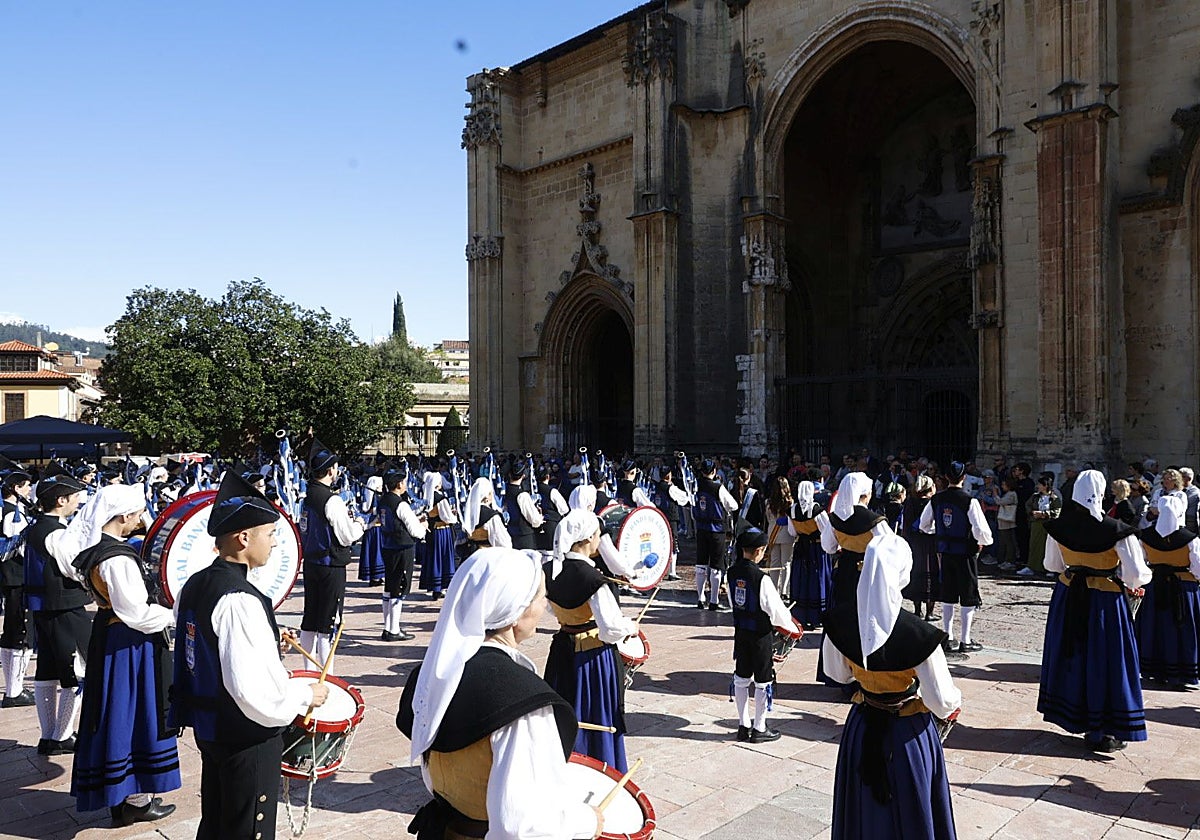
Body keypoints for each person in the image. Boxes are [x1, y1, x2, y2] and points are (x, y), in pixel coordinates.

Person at [397, 548, 603, 840]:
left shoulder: (432, 676)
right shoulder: (521, 702)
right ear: (516, 613)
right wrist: (586, 821)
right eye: (540, 597)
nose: (545, 605)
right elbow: (523, 827)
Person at [170, 471, 330, 840]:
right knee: (247, 830)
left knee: (217, 822)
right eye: (270, 534)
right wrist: (306, 695)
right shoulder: (239, 599)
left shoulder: (196, 584)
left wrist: (270, 644)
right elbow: (251, 691)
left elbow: (212, 652)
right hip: (246, 736)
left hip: (212, 729)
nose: (275, 544)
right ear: (244, 538)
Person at [823, 532, 962, 839]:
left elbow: (837, 674)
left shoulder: (839, 622)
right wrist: (954, 701)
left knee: (861, 811)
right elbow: (942, 700)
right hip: (907, 733)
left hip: (862, 725)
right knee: (912, 812)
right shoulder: (920, 634)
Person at [70, 484, 179, 826]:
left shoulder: (100, 549)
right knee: (130, 713)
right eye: (136, 514)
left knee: (120, 710)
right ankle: (134, 799)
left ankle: (124, 797)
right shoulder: (116, 557)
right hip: (128, 644)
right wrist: (177, 613)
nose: (139, 520)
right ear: (125, 516)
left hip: (114, 638)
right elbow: (135, 612)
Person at [1038, 470, 1152, 751]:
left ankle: (1077, 718)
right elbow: (1136, 575)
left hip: (1069, 593)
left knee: (1073, 653)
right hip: (1104, 601)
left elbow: (1052, 565)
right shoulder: (1116, 530)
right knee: (1108, 660)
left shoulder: (1058, 526)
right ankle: (1107, 728)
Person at [543, 509, 638, 770]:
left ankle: (565, 763)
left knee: (566, 710)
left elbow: (550, 607)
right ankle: (600, 765)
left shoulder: (550, 570)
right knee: (596, 714)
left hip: (562, 650)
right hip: (593, 658)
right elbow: (610, 629)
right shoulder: (594, 579)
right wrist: (630, 626)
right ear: (586, 539)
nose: (599, 539)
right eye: (597, 534)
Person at [24, 471, 91, 755]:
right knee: (77, 672)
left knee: (48, 671)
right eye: (74, 497)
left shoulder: (36, 526)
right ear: (61, 500)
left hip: (43, 608)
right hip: (65, 607)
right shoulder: (57, 532)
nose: (77, 502)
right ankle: (61, 735)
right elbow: (73, 569)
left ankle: (49, 735)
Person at [300, 438, 366, 668]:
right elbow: (347, 535)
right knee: (328, 622)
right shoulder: (332, 500)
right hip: (330, 564)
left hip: (311, 563)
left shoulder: (307, 495)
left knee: (310, 618)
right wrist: (360, 524)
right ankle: (325, 672)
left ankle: (308, 669)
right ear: (330, 470)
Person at [728, 527, 797, 743]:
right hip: (760, 635)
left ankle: (743, 725)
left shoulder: (730, 573)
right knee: (762, 680)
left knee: (741, 678)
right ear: (759, 550)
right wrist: (793, 628)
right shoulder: (761, 578)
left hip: (741, 632)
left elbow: (733, 602)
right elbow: (776, 612)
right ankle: (759, 727)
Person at [919, 462, 994, 657]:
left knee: (948, 593)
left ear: (945, 477)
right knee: (968, 594)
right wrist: (982, 542)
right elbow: (982, 530)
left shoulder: (936, 500)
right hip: (965, 552)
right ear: (964, 478)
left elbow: (924, 525)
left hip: (945, 552)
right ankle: (965, 640)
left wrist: (940, 533)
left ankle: (947, 636)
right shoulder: (970, 501)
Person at [1135, 494, 1200, 689]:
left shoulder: (1146, 536)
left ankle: (1155, 668)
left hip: (1156, 585)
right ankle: (1182, 671)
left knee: (1155, 627)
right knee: (1182, 630)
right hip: (1183, 588)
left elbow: (1141, 563)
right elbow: (1197, 567)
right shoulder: (1190, 539)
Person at [379, 467, 429, 642]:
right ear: (400, 484)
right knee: (399, 587)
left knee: (389, 586)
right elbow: (414, 530)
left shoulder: (383, 501)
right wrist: (422, 527)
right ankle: (393, 629)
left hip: (387, 546)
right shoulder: (400, 504)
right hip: (402, 548)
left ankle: (388, 627)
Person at [1, 467, 35, 707]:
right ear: (16, 489)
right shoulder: (13, 513)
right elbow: (20, 548)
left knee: (10, 633)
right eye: (25, 486)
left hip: (7, 578)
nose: (29, 490)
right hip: (16, 578)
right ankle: (14, 691)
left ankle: (13, 689)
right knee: (18, 633)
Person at [693, 459, 738, 611]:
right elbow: (733, 505)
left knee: (701, 564)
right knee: (716, 566)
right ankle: (714, 600)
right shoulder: (718, 487)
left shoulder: (695, 485)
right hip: (716, 529)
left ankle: (700, 598)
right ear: (713, 471)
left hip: (701, 527)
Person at [788, 480, 832, 630]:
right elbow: (827, 530)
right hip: (816, 548)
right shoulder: (817, 509)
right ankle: (817, 616)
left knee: (801, 579)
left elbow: (792, 532)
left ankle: (800, 614)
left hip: (801, 547)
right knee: (817, 578)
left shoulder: (792, 510)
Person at [900, 474, 938, 620]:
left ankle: (917, 610)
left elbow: (906, 525)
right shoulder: (932, 502)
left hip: (914, 543)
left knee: (916, 573)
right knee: (931, 574)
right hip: (929, 543)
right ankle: (930, 612)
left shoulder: (910, 502)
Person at [420, 471, 460, 599]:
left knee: (433, 557)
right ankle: (441, 586)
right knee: (443, 557)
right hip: (442, 531)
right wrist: (455, 516)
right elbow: (447, 517)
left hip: (432, 530)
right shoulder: (440, 498)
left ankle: (435, 587)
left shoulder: (426, 496)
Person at [1019, 473, 1062, 577]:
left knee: (1048, 547)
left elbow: (1057, 511)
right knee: (1034, 545)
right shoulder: (1035, 497)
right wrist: (1033, 513)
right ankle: (1032, 566)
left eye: (1040, 484)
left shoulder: (1054, 497)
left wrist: (1044, 514)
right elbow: (1028, 506)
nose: (1038, 486)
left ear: (1045, 485)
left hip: (1049, 525)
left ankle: (1050, 569)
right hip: (1036, 525)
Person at [765, 476, 796, 596]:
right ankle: (784, 590)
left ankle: (773, 589)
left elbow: (768, 518)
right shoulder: (790, 502)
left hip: (773, 533)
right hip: (787, 535)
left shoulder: (768, 502)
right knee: (786, 563)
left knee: (774, 562)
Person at [463, 476, 512, 552]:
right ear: (487, 495)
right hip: (488, 556)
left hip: (471, 557)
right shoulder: (492, 517)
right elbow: (504, 543)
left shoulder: (468, 515)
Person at [503, 462, 544, 551]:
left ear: (510, 475)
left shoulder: (504, 492)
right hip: (524, 536)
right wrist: (540, 516)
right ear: (523, 476)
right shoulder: (522, 495)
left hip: (510, 533)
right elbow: (534, 520)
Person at [535, 465, 568, 553]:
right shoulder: (552, 491)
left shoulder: (532, 491)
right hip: (551, 525)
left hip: (536, 525)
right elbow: (564, 509)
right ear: (548, 477)